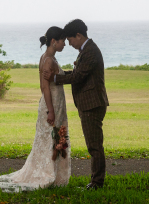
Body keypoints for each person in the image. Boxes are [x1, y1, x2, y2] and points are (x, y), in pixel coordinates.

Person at [0, 26, 70, 192]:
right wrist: (50, 109)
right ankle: (47, 173)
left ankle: (52, 172)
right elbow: (45, 87)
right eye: (63, 40)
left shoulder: (46, 57)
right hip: (52, 105)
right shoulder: (48, 60)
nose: (65, 43)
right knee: (52, 138)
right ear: (53, 41)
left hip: (54, 104)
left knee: (52, 139)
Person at [42, 19, 108, 190]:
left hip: (92, 104)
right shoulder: (86, 50)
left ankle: (97, 183)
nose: (69, 44)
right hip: (88, 104)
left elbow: (78, 77)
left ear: (78, 36)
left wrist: (55, 78)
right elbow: (79, 73)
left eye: (70, 40)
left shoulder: (90, 51)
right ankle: (96, 181)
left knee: (94, 145)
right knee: (93, 144)